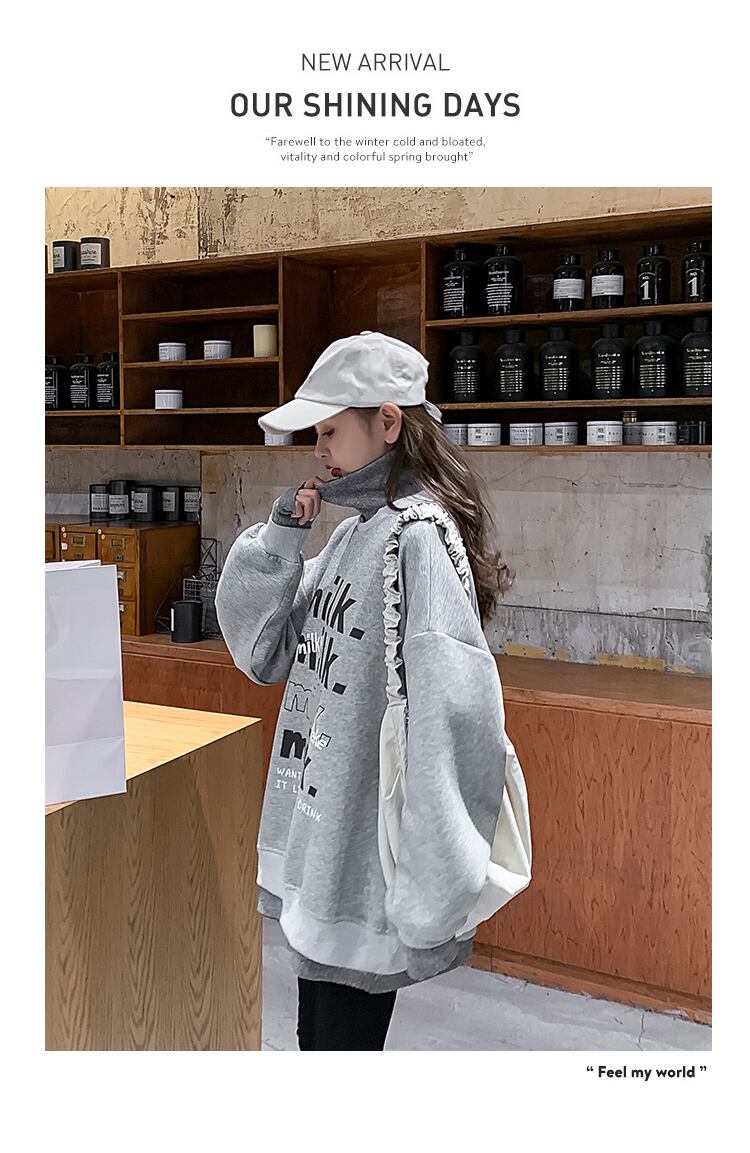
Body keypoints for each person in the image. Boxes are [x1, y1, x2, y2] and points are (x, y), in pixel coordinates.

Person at [215, 331, 514, 1050]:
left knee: (339, 1046)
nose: (319, 450)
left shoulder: (418, 537)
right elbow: (266, 651)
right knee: (317, 1036)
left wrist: (436, 867)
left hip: (361, 849)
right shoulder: (356, 533)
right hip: (323, 837)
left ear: (387, 421)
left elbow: (455, 712)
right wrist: (281, 538)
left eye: (329, 431)